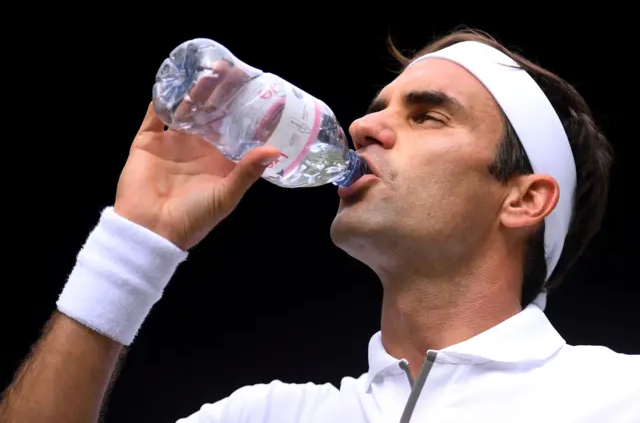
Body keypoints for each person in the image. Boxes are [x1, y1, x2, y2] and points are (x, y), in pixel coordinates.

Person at [1, 28, 638, 423]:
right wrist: (134, 243)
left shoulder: (620, 399)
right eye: (377, 108)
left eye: (428, 117)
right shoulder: (264, 416)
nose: (362, 127)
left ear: (524, 200)